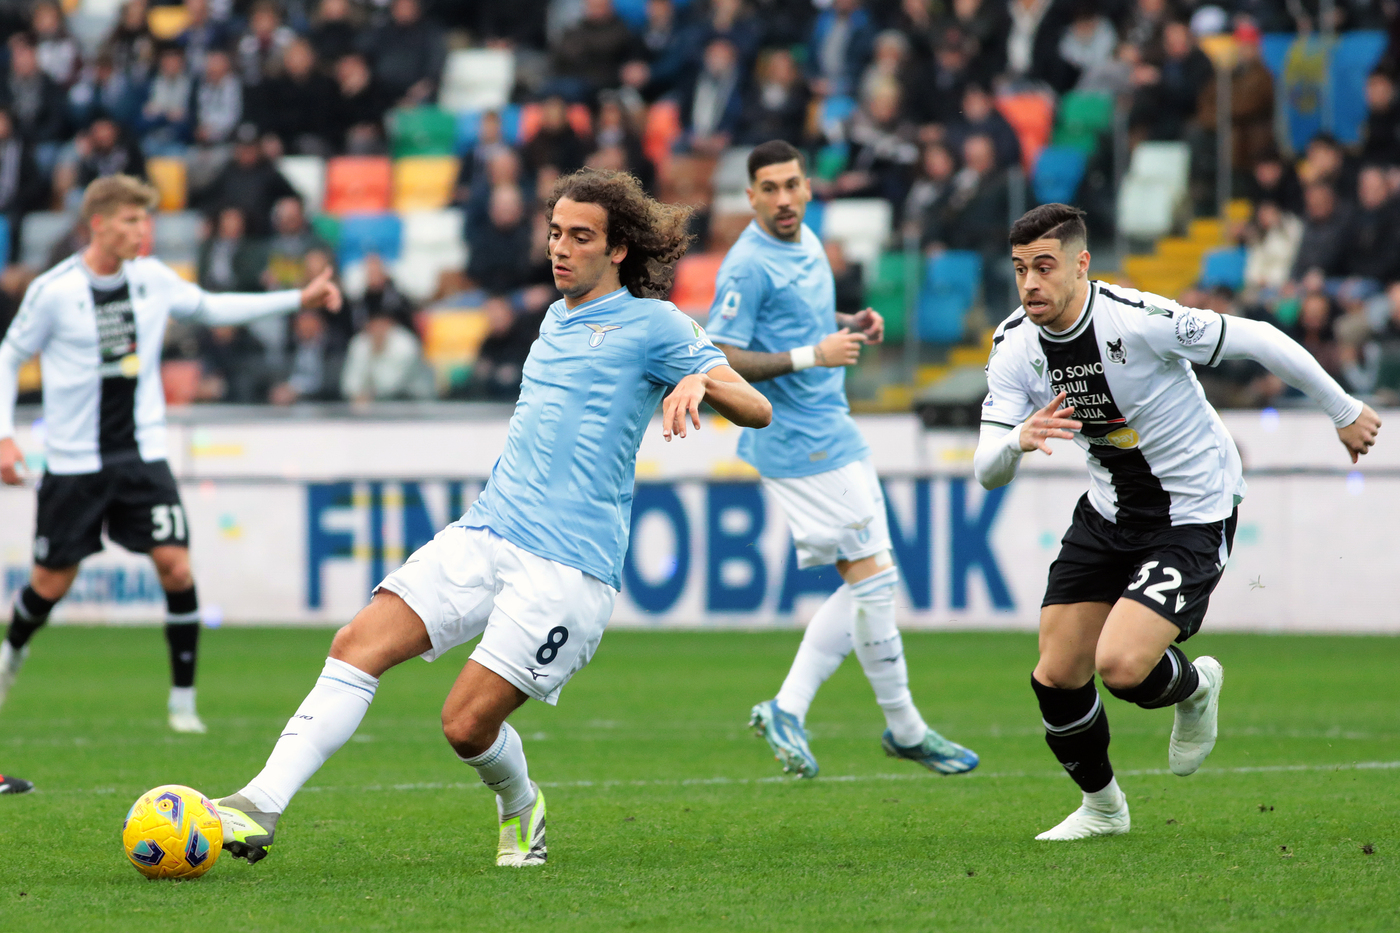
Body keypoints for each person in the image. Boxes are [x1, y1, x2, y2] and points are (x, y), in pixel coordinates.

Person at [212, 168, 770, 869]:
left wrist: (703, 377)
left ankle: (520, 801)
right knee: (357, 641)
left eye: (581, 237)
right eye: (556, 233)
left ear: (619, 249)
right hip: (488, 529)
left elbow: (757, 407)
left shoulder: (656, 324)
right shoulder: (553, 314)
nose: (561, 248)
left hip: (567, 566)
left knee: (465, 724)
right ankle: (259, 803)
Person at [974, 203, 1380, 840]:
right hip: (1108, 514)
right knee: (1055, 675)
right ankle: (1103, 809)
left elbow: (1259, 338)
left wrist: (1343, 408)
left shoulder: (1138, 319)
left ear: (1081, 265)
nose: (1030, 284)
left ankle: (1194, 687)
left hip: (1193, 512)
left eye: (1045, 267)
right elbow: (986, 470)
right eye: (1021, 268)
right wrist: (1015, 441)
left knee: (1123, 667)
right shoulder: (1014, 347)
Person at [0, 175, 342, 732]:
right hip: (73, 463)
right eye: (132, 220)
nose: (143, 230)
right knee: (49, 584)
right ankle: (12, 653)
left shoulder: (152, 280)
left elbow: (213, 307)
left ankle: (183, 701)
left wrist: (296, 298)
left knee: (176, 567)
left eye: (145, 219)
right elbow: (8, 357)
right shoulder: (55, 290)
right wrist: (5, 435)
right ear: (99, 225)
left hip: (142, 457)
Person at [705, 140, 979, 780]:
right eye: (768, 188)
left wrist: (847, 322)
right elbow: (720, 353)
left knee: (870, 581)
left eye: (791, 185)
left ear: (808, 188)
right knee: (876, 581)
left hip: (832, 427)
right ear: (750, 197)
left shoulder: (805, 240)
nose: (782, 199)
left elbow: (794, 317)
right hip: (797, 439)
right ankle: (887, 725)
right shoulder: (746, 263)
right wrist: (812, 357)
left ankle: (809, 711)